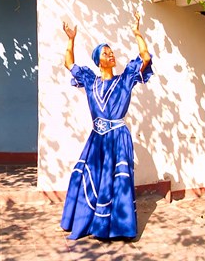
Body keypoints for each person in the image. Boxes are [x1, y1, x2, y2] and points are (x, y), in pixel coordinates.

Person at [60, 12, 153, 240]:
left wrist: (137, 33)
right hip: (97, 137)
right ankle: (86, 222)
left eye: (112, 52)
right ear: (98, 60)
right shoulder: (90, 80)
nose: (111, 55)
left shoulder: (125, 79)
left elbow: (145, 57)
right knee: (88, 175)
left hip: (118, 136)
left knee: (117, 180)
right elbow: (68, 63)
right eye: (106, 52)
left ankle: (118, 227)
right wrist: (71, 39)